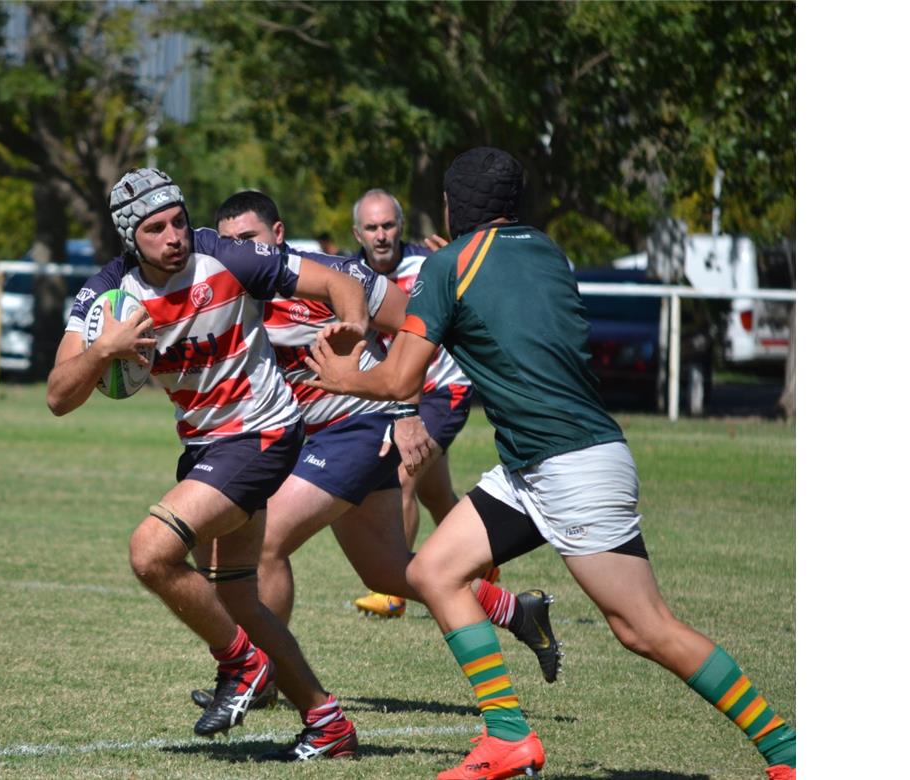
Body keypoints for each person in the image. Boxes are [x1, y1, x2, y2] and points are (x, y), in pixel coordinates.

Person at [306, 147, 795, 780]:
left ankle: (788, 754)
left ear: (453, 207)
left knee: (644, 628)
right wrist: (446, 269)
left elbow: (402, 377)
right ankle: (508, 737)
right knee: (433, 570)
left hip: (569, 466)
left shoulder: (449, 264)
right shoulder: (545, 251)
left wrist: (344, 375)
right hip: (537, 466)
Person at [185, 192, 559, 718]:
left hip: (359, 427)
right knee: (386, 571)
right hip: (317, 436)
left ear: (278, 234)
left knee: (263, 544)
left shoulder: (328, 274)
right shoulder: (234, 288)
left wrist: (406, 411)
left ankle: (261, 677)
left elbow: (414, 324)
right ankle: (517, 611)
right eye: (228, 243)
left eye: (248, 240)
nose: (238, 251)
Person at [48, 169, 365, 761]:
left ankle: (242, 666)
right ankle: (328, 723)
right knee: (240, 598)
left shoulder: (229, 258)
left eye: (177, 220)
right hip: (206, 445)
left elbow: (339, 281)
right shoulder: (107, 298)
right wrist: (103, 351)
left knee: (150, 552)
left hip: (263, 432)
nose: (174, 235)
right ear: (128, 238)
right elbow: (59, 397)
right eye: (154, 228)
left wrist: (353, 335)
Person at [349, 188, 476, 620]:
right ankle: (487, 566)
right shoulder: (349, 276)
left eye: (388, 225)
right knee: (435, 493)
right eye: (372, 227)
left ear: (400, 227)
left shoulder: (429, 263)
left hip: (443, 388)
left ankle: (393, 591)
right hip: (401, 394)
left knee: (404, 472)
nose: (381, 235)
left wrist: (460, 267)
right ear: (357, 232)